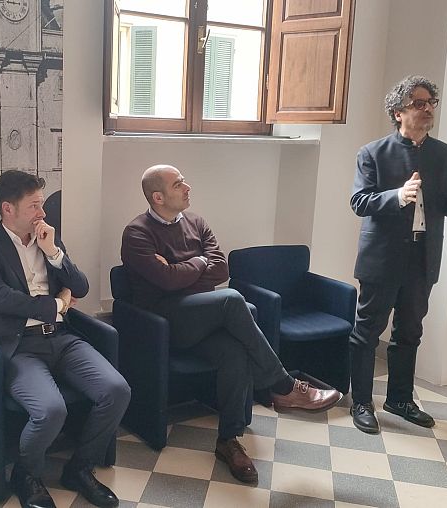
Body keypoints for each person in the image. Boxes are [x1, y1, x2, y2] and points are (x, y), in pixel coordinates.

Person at [120, 165, 342, 485]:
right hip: (164, 325)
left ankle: (229, 440)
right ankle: (282, 386)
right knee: (234, 300)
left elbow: (221, 269)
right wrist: (199, 263)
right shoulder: (137, 233)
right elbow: (166, 281)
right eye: (178, 184)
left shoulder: (196, 222)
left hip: (205, 316)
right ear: (158, 197)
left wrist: (182, 269)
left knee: (235, 351)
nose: (187, 187)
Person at [0, 170, 130, 508]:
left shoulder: (48, 239)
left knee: (117, 390)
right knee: (51, 410)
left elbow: (81, 287)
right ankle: (26, 474)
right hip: (18, 346)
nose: (42, 213)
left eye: (41, 205)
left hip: (62, 338)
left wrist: (53, 252)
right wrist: (57, 303)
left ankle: (80, 468)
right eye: (34, 206)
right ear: (8, 208)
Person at [348, 75, 447, 434]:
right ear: (398, 112)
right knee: (367, 332)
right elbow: (359, 202)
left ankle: (399, 399)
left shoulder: (444, 154)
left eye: (431, 103)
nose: (428, 110)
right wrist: (397, 196)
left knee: (409, 332)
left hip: (423, 257)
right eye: (419, 103)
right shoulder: (372, 153)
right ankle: (361, 402)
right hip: (382, 258)